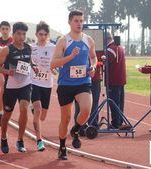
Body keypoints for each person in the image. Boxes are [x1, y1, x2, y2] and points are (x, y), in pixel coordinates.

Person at [50, 10, 97, 160]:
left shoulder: (88, 40)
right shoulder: (63, 41)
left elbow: (93, 57)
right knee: (65, 118)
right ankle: (62, 147)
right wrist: (70, 56)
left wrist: (94, 67)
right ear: (70, 22)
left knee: (85, 111)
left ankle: (76, 130)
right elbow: (53, 63)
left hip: (83, 81)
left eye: (81, 21)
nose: (79, 23)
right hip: (65, 84)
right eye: (76, 21)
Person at [0, 22, 37, 154]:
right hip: (11, 87)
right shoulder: (6, 50)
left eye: (24, 34)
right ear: (13, 34)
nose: (22, 37)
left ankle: (20, 140)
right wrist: (8, 72)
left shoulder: (28, 48)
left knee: (24, 109)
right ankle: (3, 137)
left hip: (25, 84)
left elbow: (29, 61)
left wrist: (34, 66)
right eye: (19, 34)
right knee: (7, 114)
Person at [30, 21, 56, 151]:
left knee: (43, 116)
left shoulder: (53, 47)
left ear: (48, 35)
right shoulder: (31, 48)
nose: (42, 36)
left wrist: (56, 70)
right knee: (38, 109)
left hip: (47, 84)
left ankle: (34, 108)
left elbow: (56, 63)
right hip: (34, 83)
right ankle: (39, 140)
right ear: (36, 34)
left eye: (45, 34)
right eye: (40, 34)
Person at [74, 50, 104, 131]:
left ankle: (93, 124)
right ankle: (79, 126)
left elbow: (103, 61)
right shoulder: (80, 46)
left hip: (95, 79)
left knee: (94, 103)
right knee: (79, 104)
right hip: (81, 80)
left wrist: (96, 65)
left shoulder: (99, 48)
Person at [106, 32, 127, 129]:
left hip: (113, 79)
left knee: (114, 102)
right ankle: (119, 121)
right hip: (120, 79)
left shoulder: (110, 49)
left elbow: (106, 63)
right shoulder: (120, 47)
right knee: (119, 102)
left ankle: (116, 123)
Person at [0, 21, 14, 125]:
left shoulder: (12, 41)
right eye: (3, 29)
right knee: (2, 89)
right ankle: (0, 113)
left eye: (7, 29)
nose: (5, 31)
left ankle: (3, 112)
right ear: (0, 30)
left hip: (9, 69)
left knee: (6, 92)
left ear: (9, 30)